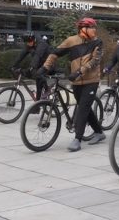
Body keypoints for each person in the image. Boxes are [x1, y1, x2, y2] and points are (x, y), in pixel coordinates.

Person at [37, 17, 104, 152]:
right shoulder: (71, 40)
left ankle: (77, 139)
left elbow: (94, 62)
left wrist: (79, 72)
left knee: (83, 108)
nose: (94, 30)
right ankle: (98, 132)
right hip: (77, 81)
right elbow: (55, 53)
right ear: (83, 29)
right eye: (91, 27)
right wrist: (44, 68)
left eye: (94, 27)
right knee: (85, 107)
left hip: (92, 80)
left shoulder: (98, 42)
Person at [12, 32, 52, 100]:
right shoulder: (29, 44)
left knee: (38, 74)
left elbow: (37, 56)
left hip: (49, 63)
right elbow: (21, 56)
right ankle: (37, 106)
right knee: (38, 84)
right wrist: (13, 66)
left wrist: (32, 67)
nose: (28, 43)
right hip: (40, 63)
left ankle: (47, 89)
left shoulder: (41, 44)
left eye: (30, 41)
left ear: (33, 39)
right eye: (27, 42)